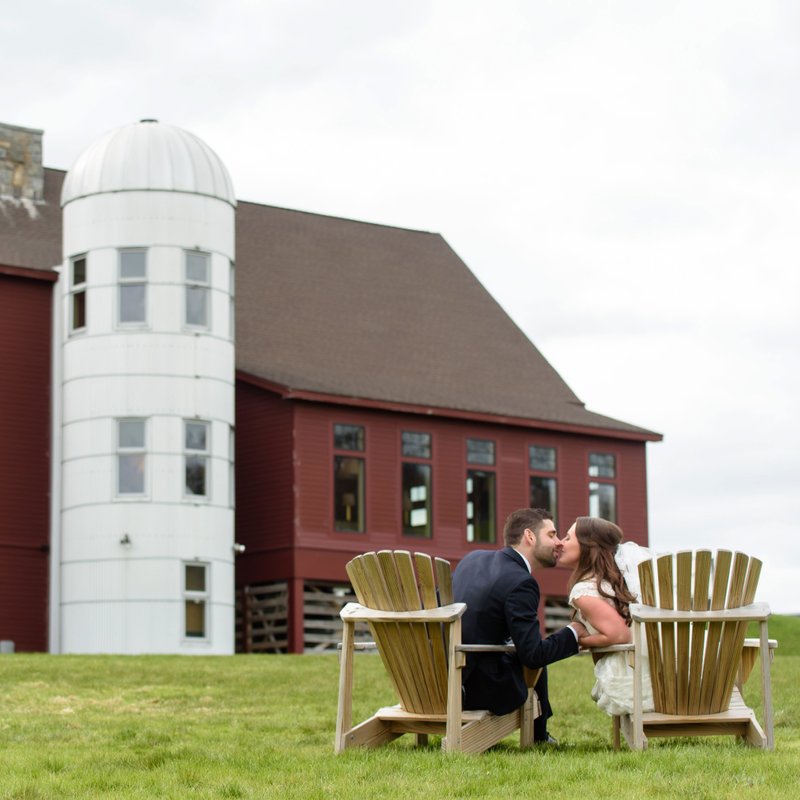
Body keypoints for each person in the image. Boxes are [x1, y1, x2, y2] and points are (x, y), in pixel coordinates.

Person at [452, 508, 587, 743]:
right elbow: (533, 656)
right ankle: (539, 735)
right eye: (552, 534)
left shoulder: (472, 559)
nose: (558, 543)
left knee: (524, 645)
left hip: (443, 680)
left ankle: (540, 734)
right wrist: (572, 633)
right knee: (534, 652)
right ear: (530, 536)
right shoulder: (521, 582)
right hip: (477, 690)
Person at [558, 516, 655, 716]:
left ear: (587, 546)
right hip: (641, 666)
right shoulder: (607, 582)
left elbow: (619, 635)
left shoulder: (584, 590)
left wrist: (582, 639)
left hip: (628, 676)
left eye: (568, 538)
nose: (561, 542)